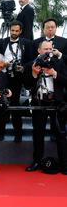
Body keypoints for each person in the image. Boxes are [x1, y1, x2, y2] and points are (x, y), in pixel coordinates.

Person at [23, 40, 67, 174]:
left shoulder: (59, 63)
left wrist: (54, 73)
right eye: (45, 48)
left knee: (61, 134)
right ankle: (36, 161)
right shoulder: (31, 64)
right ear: (39, 50)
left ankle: (64, 164)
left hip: (57, 103)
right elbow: (26, 85)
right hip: (39, 103)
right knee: (38, 134)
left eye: (50, 48)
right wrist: (34, 74)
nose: (48, 51)